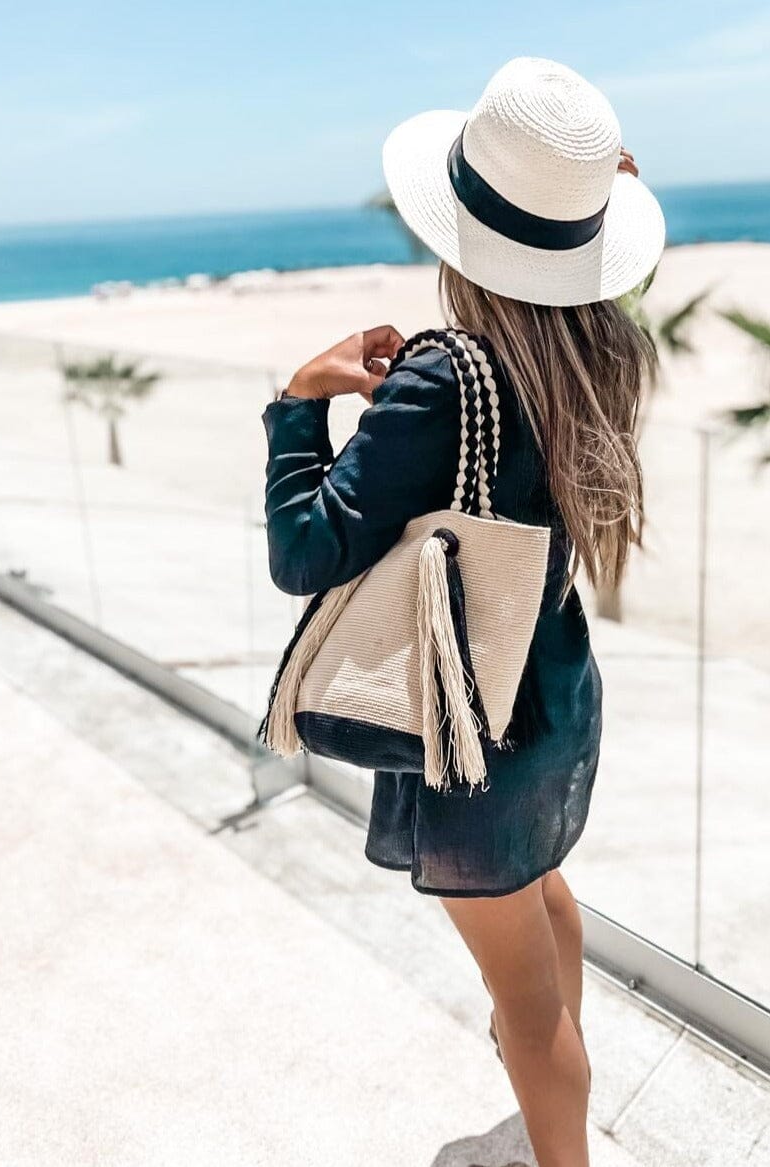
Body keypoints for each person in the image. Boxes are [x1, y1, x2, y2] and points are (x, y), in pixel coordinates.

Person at [261, 57, 664, 1167]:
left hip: (473, 721)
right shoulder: (602, 351)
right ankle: (554, 1116)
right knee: (545, 905)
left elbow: (304, 554)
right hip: (551, 690)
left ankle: (560, 1144)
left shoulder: (447, 378)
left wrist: (298, 404)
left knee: (522, 1005)